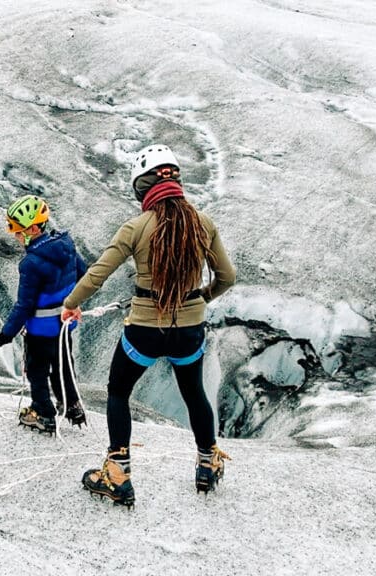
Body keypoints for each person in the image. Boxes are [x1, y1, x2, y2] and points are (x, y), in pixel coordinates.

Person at [60, 144, 237, 505]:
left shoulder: (136, 227)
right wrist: (200, 298)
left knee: (119, 392)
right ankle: (207, 463)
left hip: (143, 331)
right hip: (189, 332)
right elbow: (227, 276)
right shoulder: (203, 223)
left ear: (142, 186)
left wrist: (71, 305)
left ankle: (118, 473)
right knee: (194, 395)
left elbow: (98, 274)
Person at [0, 194, 89, 435]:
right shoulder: (66, 245)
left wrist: (7, 333)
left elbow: (24, 305)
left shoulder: (31, 263)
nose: (16, 237)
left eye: (18, 231)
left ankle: (43, 414)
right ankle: (73, 406)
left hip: (40, 329)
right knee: (63, 364)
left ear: (33, 228)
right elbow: (84, 273)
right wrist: (70, 301)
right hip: (64, 324)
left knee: (36, 371)